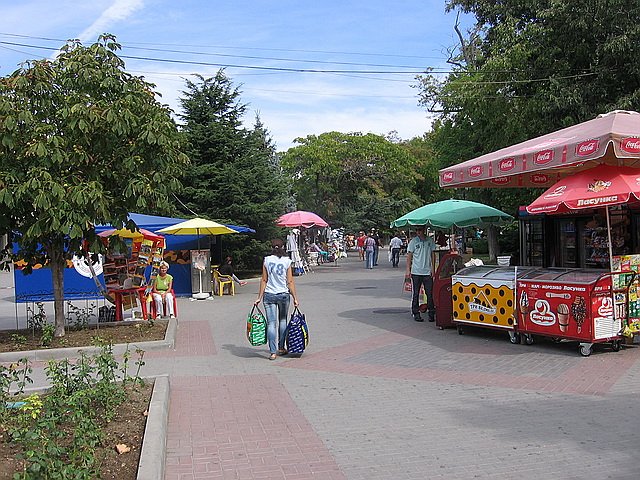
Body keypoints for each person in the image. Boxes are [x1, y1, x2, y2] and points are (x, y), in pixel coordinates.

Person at [254, 239, 300, 360]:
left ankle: (273, 352)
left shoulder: (267, 260)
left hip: (269, 294)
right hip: (283, 294)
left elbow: (264, 280)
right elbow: (290, 281)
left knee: (271, 323)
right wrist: (295, 298)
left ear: (271, 248)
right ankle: (281, 347)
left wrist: (259, 297)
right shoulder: (287, 261)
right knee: (283, 320)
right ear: (283, 247)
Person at [405, 226, 437, 322]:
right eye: (417, 230)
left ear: (424, 230)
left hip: (427, 271)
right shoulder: (413, 242)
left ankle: (431, 312)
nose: (418, 232)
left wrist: (433, 268)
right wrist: (408, 270)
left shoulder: (430, 241)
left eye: (420, 230)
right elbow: (409, 255)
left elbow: (433, 254)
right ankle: (416, 312)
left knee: (429, 293)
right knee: (416, 293)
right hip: (416, 271)